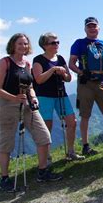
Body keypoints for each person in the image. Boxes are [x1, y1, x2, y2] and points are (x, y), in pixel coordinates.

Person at [0, 34, 62, 192]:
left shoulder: (26, 63)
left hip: (27, 104)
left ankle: (43, 171)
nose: (23, 46)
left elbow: (30, 86)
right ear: (13, 45)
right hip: (7, 105)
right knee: (6, 143)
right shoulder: (5, 62)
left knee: (44, 136)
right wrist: (14, 97)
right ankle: (5, 178)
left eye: (26, 44)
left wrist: (33, 98)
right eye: (20, 43)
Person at [69, 17, 103, 156]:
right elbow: (71, 63)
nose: (92, 28)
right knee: (85, 114)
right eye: (89, 26)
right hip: (85, 82)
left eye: (94, 26)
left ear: (98, 28)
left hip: (100, 81)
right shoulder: (79, 43)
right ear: (85, 29)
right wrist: (81, 72)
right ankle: (85, 146)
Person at [32, 32, 84, 161]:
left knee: (72, 122)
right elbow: (38, 79)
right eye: (53, 43)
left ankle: (71, 151)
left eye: (57, 42)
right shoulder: (38, 60)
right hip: (44, 96)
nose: (56, 45)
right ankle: (46, 156)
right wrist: (53, 70)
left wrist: (63, 74)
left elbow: (68, 78)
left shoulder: (60, 58)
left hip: (61, 94)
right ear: (44, 45)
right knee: (46, 126)